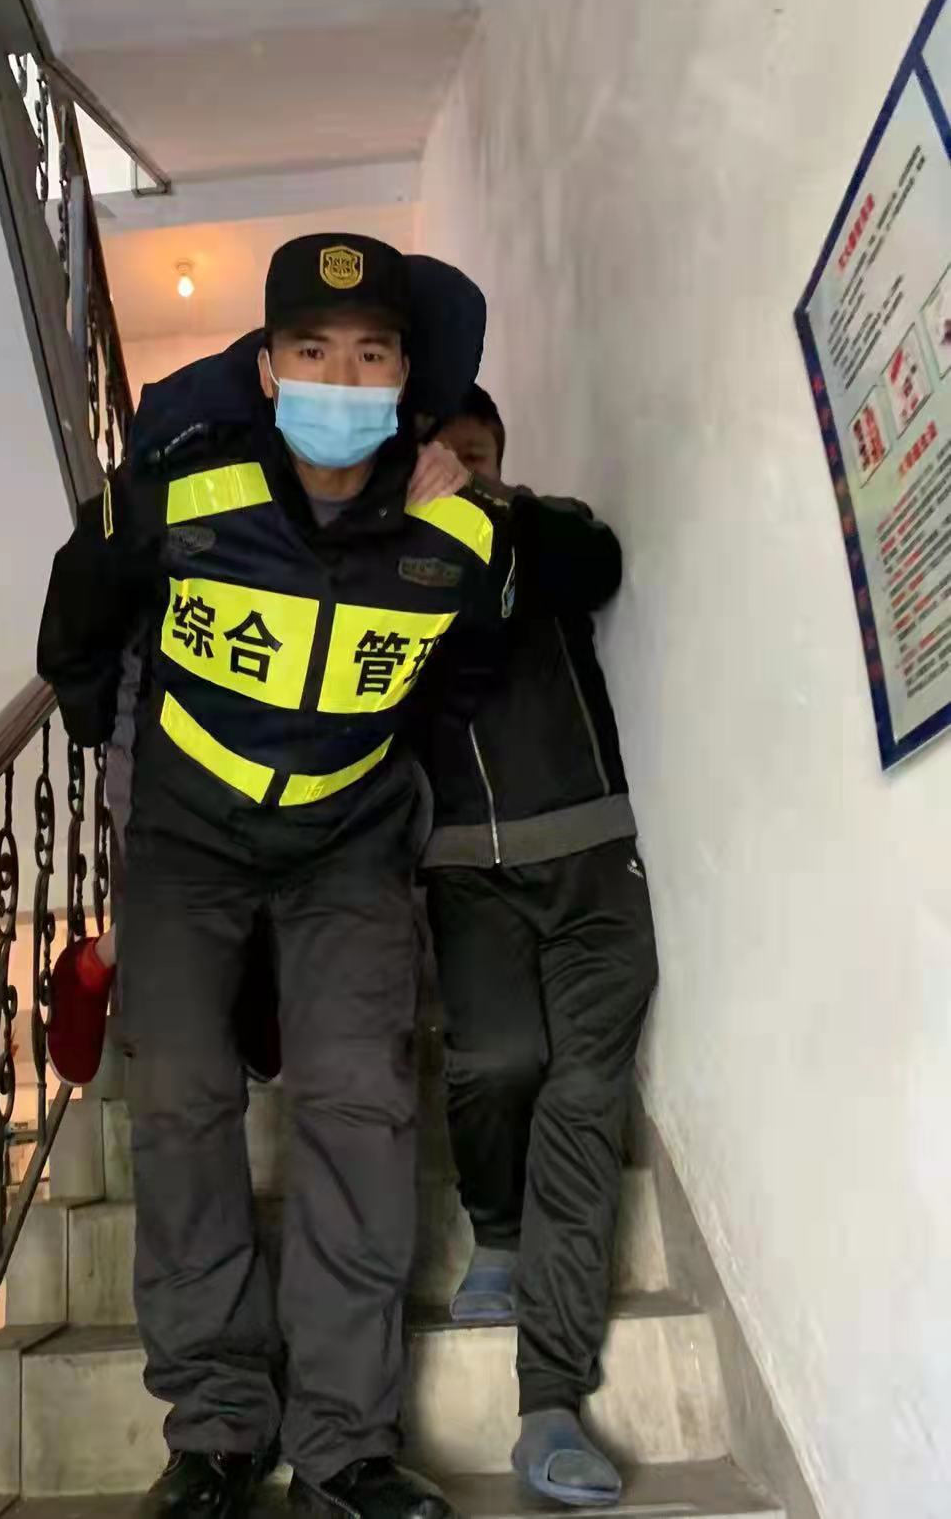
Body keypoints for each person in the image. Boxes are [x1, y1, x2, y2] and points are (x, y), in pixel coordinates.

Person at [38, 235, 511, 1519]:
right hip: (186, 840)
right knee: (179, 1100)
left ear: (406, 378)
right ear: (265, 366)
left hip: (347, 845)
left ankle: (347, 1447)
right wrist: (103, 731)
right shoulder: (180, 490)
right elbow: (78, 619)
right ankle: (216, 1434)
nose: (339, 381)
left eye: (369, 356)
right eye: (311, 351)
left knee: (360, 1103)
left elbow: (462, 676)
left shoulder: (459, 533)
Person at [415, 385, 659, 1510]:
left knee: (585, 1096)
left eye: (478, 456)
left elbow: (594, 562)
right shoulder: (399, 570)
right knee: (498, 1059)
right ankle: (500, 1230)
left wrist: (483, 510)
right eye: (443, 457)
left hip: (593, 858)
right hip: (468, 871)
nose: (460, 471)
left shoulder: (546, 531)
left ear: (501, 459)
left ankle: (551, 1401)